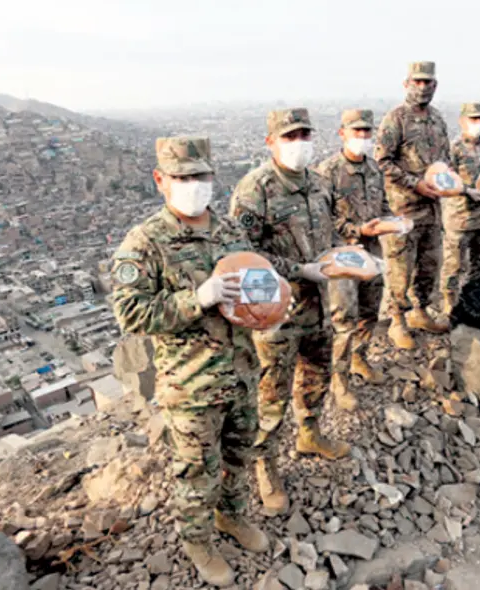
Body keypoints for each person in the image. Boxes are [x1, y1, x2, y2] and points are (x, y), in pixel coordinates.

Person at [110, 136, 267, 586]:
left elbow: (254, 280)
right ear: (161, 180)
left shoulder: (230, 230)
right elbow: (132, 314)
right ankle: (197, 539)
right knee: (197, 471)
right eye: (182, 177)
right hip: (191, 384)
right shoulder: (145, 243)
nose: (193, 185)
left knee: (239, 454)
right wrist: (195, 299)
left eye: (200, 176)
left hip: (241, 371)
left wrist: (268, 309)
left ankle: (233, 517)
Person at [229, 108, 350, 517]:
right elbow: (244, 254)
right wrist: (298, 270)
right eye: (290, 136)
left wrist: (344, 260)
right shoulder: (255, 190)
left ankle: (310, 432)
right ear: (271, 141)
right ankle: (265, 464)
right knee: (272, 391)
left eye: (304, 134)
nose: (299, 142)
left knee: (318, 371)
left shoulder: (318, 183)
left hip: (318, 304)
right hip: (276, 310)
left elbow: (331, 233)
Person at [315, 109, 396, 411]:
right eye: (356, 131)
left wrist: (393, 222)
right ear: (342, 133)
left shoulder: (374, 169)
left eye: (366, 132)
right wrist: (355, 230)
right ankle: (339, 380)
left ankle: (360, 357)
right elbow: (323, 218)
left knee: (370, 310)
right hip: (344, 255)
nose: (362, 137)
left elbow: (383, 204)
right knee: (344, 320)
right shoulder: (328, 172)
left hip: (372, 252)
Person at [375, 61, 451, 350]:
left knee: (429, 262)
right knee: (400, 267)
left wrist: (445, 181)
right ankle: (397, 320)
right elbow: (383, 161)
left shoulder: (437, 120)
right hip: (404, 208)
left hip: (432, 208)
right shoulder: (396, 120)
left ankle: (420, 312)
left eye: (427, 82)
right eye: (417, 82)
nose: (422, 87)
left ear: (435, 86)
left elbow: (444, 159)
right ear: (406, 83)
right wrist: (414, 183)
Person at [443, 103, 480, 314]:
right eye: (472, 119)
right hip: (461, 217)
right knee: (454, 265)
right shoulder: (454, 148)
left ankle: (475, 302)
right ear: (462, 121)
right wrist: (467, 191)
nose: (477, 123)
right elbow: (445, 180)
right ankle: (450, 308)